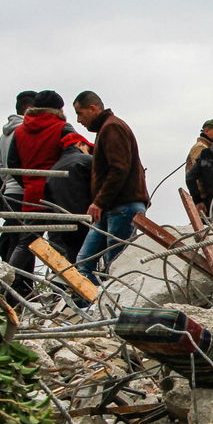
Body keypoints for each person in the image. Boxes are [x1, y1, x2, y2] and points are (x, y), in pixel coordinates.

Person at [72, 90, 148, 282]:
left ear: (93, 108)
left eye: (80, 113)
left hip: (121, 206)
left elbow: (119, 169)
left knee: (116, 268)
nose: (79, 120)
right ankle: (94, 307)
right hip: (112, 207)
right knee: (85, 263)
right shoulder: (107, 129)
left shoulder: (112, 128)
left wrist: (99, 201)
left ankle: (114, 308)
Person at [7, 90, 74, 298]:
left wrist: (29, 183)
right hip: (56, 194)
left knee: (25, 243)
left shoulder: (19, 132)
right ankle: (60, 293)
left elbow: (13, 164)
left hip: (32, 194)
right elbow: (74, 159)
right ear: (59, 109)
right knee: (58, 244)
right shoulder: (62, 128)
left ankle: (6, 287)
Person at [0, 90, 37, 265]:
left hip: (7, 191)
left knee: (13, 237)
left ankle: (10, 281)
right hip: (21, 192)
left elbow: (1, 166)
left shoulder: (4, 135)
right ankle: (18, 284)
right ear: (30, 109)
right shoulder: (23, 131)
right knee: (26, 241)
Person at [46, 133, 94, 263]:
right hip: (85, 219)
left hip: (62, 223)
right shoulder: (87, 161)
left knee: (70, 263)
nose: (90, 153)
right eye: (88, 149)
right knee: (90, 260)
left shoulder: (54, 168)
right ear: (80, 144)